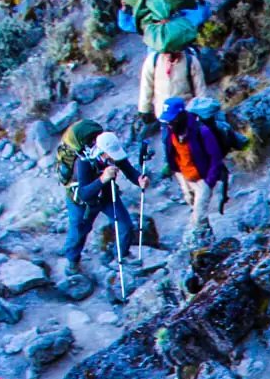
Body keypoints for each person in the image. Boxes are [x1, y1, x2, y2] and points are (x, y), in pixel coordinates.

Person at [63, 131, 143, 274]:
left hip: (106, 195)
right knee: (79, 231)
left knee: (125, 224)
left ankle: (120, 256)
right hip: (82, 203)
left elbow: (129, 170)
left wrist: (139, 179)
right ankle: (72, 260)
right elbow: (84, 193)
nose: (114, 157)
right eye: (110, 154)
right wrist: (103, 179)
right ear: (101, 152)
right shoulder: (83, 162)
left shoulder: (113, 158)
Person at [158, 96, 227, 232]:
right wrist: (171, 167)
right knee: (194, 206)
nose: (170, 124)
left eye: (172, 120)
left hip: (203, 178)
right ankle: (208, 237)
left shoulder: (202, 131)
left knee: (198, 215)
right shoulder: (169, 130)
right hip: (184, 175)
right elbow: (171, 151)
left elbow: (215, 157)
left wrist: (209, 182)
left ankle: (198, 245)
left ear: (181, 115)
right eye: (168, 121)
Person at [137, 46, 208, 127]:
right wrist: (145, 109)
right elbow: (146, 86)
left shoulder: (190, 61)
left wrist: (204, 112)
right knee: (167, 138)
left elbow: (200, 89)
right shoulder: (153, 60)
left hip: (186, 114)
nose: (169, 54)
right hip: (164, 115)